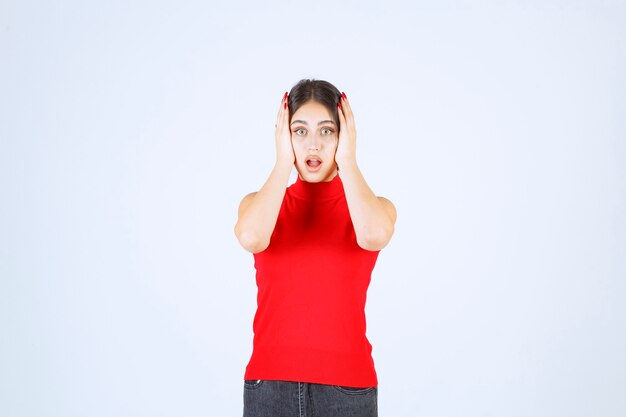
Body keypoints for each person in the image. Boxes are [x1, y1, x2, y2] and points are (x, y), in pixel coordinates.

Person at [234, 79, 396, 417]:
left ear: (343, 136)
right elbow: (251, 237)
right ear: (284, 136)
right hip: (269, 388)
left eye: (326, 131)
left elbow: (375, 235)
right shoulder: (260, 205)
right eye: (300, 131)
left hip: (347, 391)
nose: (313, 146)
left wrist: (348, 163)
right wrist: (282, 164)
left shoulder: (372, 208)